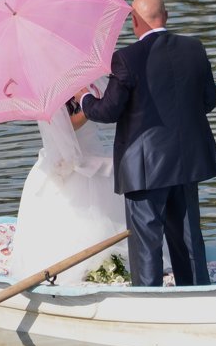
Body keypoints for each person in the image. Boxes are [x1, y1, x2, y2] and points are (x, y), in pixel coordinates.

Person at [77, 0, 216, 287]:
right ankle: (197, 293)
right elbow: (208, 101)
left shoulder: (126, 58)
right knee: (188, 238)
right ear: (165, 16)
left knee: (147, 244)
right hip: (187, 161)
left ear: (134, 22)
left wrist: (85, 99)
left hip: (145, 166)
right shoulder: (194, 48)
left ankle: (149, 299)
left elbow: (109, 111)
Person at [8, 81, 130, 286]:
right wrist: (89, 107)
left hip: (96, 154)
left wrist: (94, 100)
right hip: (70, 164)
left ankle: (120, 263)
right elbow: (66, 126)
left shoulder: (84, 78)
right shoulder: (47, 89)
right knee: (81, 221)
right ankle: (81, 269)